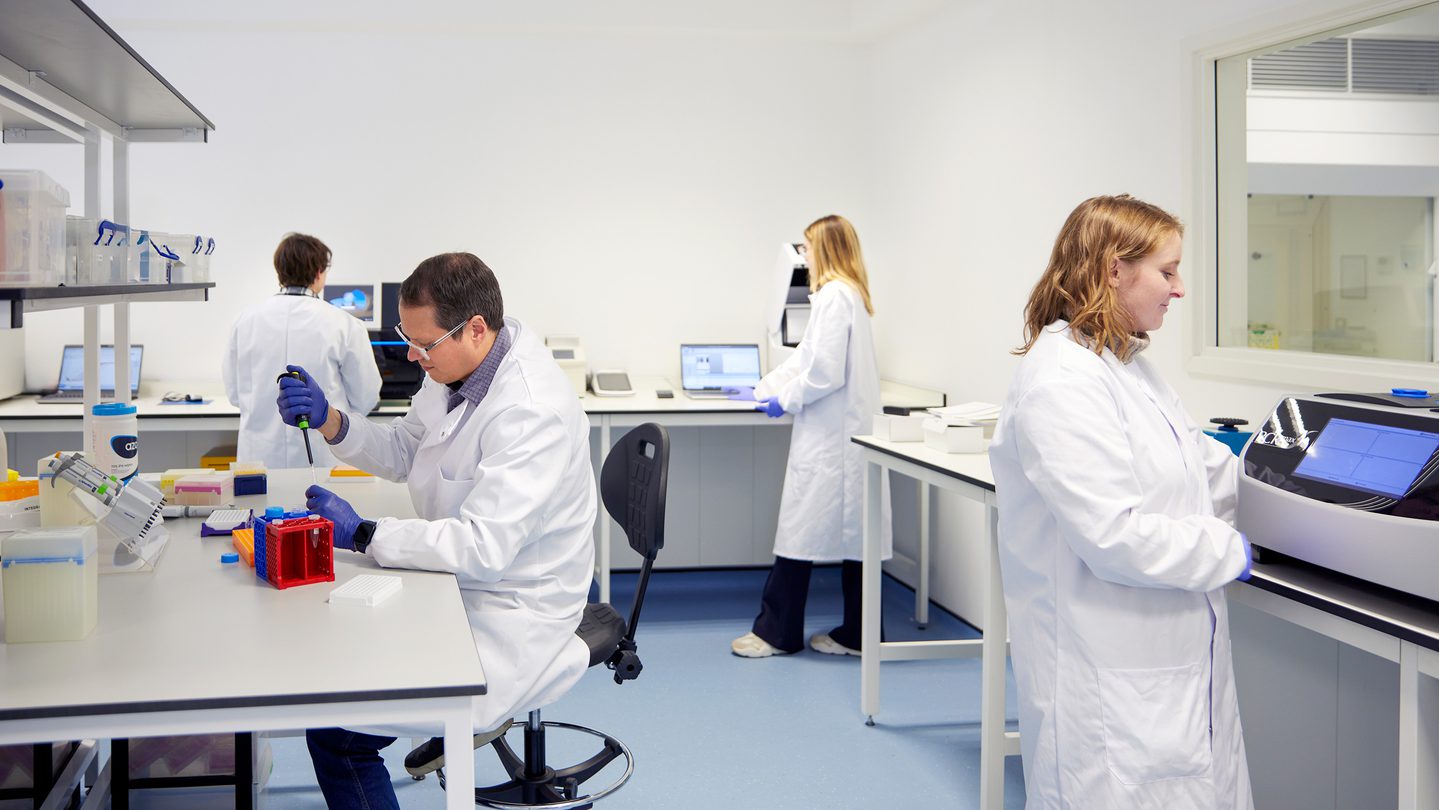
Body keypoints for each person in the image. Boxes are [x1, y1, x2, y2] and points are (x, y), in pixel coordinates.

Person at [276, 252, 597, 809]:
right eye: (409, 338)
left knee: (336, 734)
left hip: (515, 608)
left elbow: (484, 548)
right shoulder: (459, 368)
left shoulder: (529, 410)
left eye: (424, 344)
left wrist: (364, 533)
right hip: (456, 585)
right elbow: (406, 448)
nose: (412, 354)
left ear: (476, 328)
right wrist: (332, 419)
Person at [988, 195, 1254, 807]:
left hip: (1161, 665)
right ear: (1114, 269)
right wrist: (1232, 550)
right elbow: (1116, 538)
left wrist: (1292, 495)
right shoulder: (1063, 380)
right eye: (1168, 271)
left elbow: (1200, 464)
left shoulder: (1127, 366)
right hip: (1107, 677)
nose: (1179, 289)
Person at [729, 214, 890, 659]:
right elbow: (806, 357)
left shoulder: (836, 296)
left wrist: (785, 400)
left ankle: (777, 634)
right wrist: (761, 388)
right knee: (856, 539)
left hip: (832, 444)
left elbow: (822, 373)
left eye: (807, 246)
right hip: (842, 440)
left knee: (799, 533)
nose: (804, 256)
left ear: (827, 248)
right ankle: (860, 634)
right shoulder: (845, 295)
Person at [222, 233, 380, 468]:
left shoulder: (244, 321)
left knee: (263, 504)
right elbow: (366, 397)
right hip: (325, 455)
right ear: (318, 272)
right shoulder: (343, 323)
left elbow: (235, 395)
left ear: (279, 271)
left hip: (259, 458)